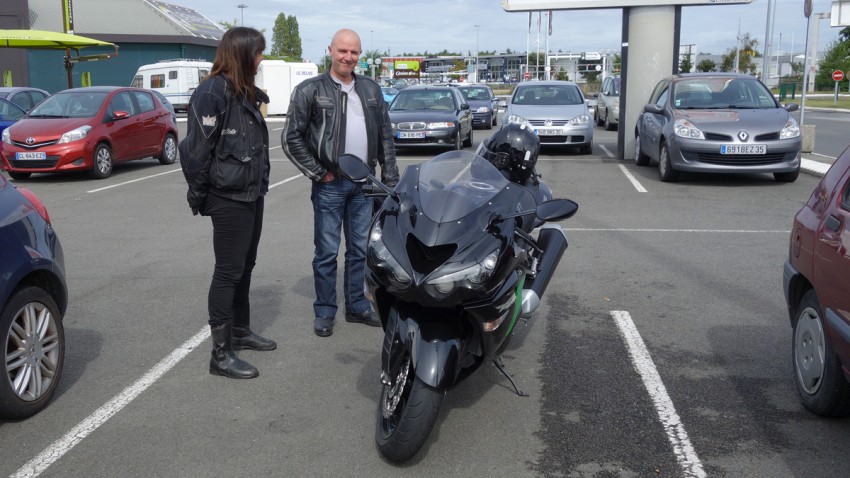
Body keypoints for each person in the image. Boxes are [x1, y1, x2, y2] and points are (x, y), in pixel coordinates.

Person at [283, 28, 399, 337]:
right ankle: (325, 310)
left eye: (354, 52)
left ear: (360, 55)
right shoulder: (310, 90)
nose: (348, 57)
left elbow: (386, 138)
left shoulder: (372, 90)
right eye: (342, 51)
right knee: (326, 252)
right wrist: (319, 172)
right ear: (330, 50)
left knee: (360, 250)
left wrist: (391, 180)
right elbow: (291, 138)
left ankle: (357, 306)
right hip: (330, 185)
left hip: (364, 185)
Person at [178, 27, 276, 379]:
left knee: (245, 267)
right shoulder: (211, 92)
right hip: (228, 197)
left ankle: (239, 332)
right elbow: (195, 153)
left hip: (251, 193)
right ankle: (220, 355)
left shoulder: (245, 91)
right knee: (228, 272)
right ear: (242, 54)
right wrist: (200, 196)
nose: (261, 60)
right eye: (258, 53)